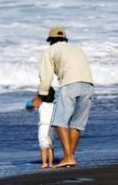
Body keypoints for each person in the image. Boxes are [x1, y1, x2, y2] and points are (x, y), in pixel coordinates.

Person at [31, 27, 94, 168]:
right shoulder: (77, 49)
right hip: (89, 85)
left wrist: (39, 97)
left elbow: (46, 77)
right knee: (77, 124)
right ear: (65, 39)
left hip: (70, 84)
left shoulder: (50, 51)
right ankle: (69, 157)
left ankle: (69, 157)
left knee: (59, 121)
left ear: (50, 40)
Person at [35, 86, 56, 169]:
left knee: (43, 146)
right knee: (50, 146)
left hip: (43, 126)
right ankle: (51, 163)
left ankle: (44, 163)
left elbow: (28, 106)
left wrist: (37, 96)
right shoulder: (54, 105)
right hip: (52, 126)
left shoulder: (40, 104)